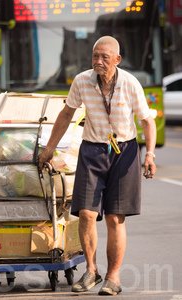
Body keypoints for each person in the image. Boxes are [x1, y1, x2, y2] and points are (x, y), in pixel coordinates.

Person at [38, 36, 156, 296]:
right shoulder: (81, 81)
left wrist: (149, 155)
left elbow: (147, 121)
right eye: (95, 56)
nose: (99, 62)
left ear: (117, 59)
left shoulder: (130, 84)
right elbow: (67, 114)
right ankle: (91, 271)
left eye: (105, 57)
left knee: (115, 217)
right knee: (87, 215)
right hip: (92, 150)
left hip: (124, 152)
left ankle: (113, 277)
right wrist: (49, 148)